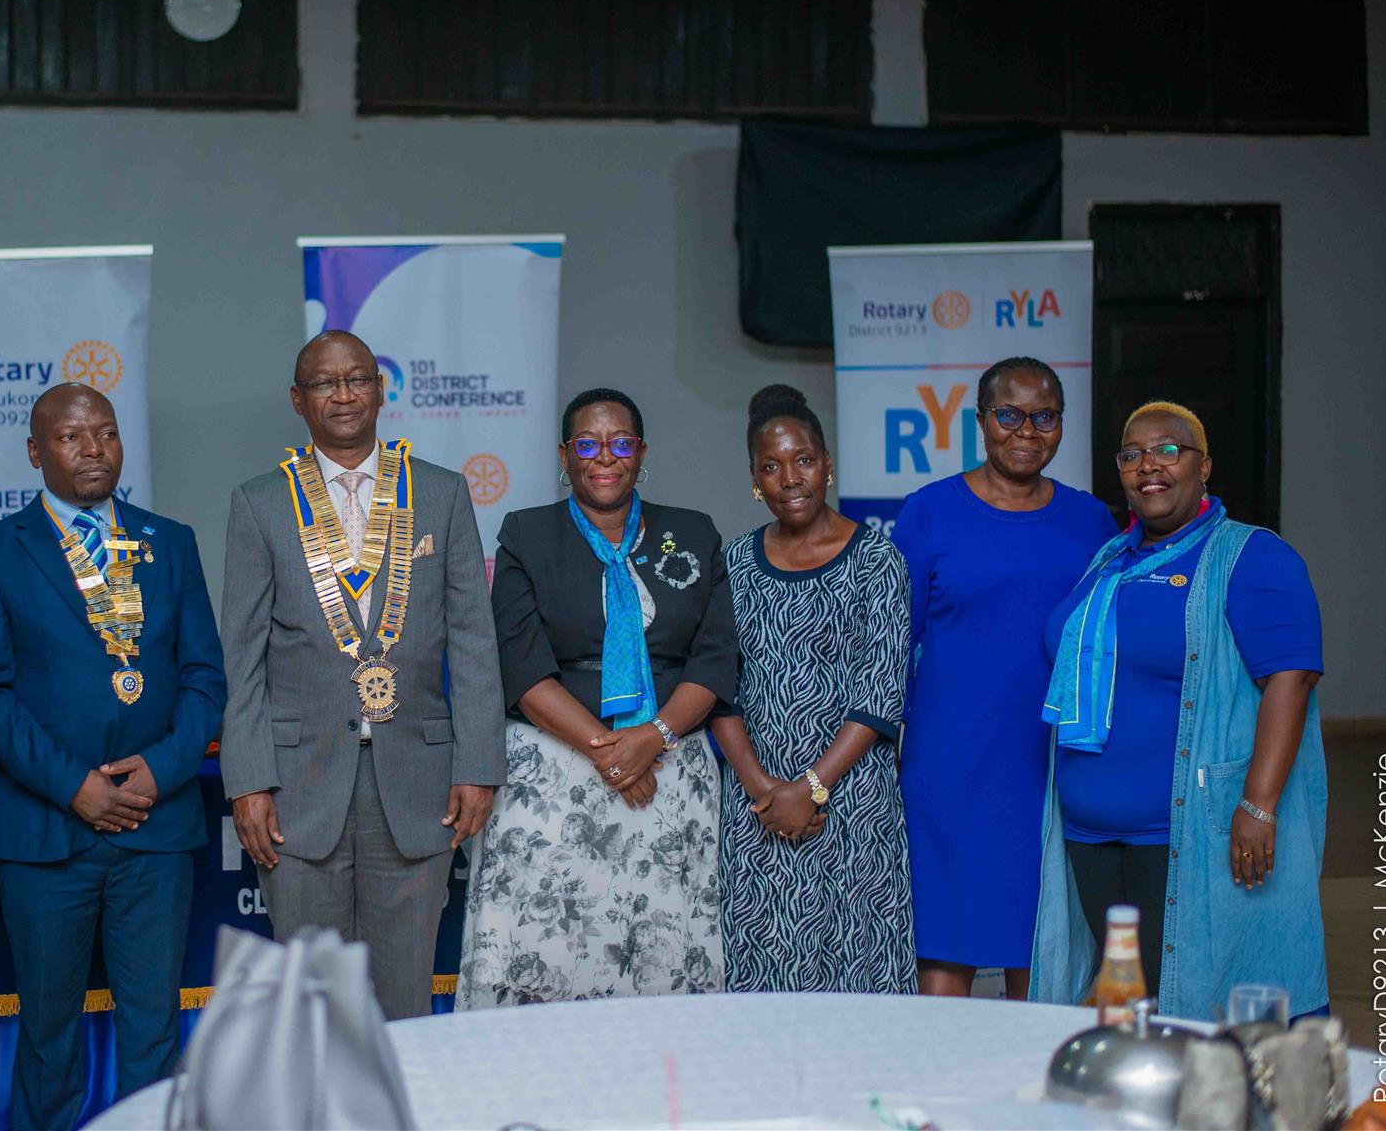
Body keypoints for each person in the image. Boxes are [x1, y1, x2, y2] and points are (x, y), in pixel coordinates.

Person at [0, 383, 225, 1125]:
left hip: (156, 827)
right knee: (48, 1041)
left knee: (153, 1035)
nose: (92, 448)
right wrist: (74, 785)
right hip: (48, 832)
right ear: (35, 451)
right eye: (70, 437)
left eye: (105, 432)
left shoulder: (170, 540)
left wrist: (161, 770)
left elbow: (205, 676)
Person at [221, 330, 506, 1021]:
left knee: (403, 1003)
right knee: (312, 1007)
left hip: (417, 784)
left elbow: (473, 638)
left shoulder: (440, 492)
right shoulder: (260, 502)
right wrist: (249, 780)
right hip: (297, 789)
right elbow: (242, 654)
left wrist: (478, 764)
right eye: (324, 383)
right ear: (298, 400)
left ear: (380, 391)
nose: (343, 394)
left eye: (357, 379)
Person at [1031, 402, 1327, 1021]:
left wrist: (1258, 804)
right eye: (1132, 454)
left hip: (1181, 835)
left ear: (1204, 465)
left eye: (1167, 450)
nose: (1148, 466)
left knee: (1192, 1013)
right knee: (1131, 1006)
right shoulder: (1109, 560)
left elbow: (1291, 679)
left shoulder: (1252, 556)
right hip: (1090, 834)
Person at [457, 388, 735, 1007]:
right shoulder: (528, 533)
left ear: (641, 453)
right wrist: (609, 751)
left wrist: (652, 737)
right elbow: (519, 663)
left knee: (660, 959)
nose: (605, 457)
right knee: (546, 957)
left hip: (668, 773)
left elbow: (715, 658)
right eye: (587, 444)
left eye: (620, 443)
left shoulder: (693, 532)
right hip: (554, 779)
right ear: (565, 456)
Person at [892, 358, 1116, 1000]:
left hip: (1053, 762)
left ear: (1062, 424)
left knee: (1041, 937)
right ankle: (940, 1067)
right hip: (950, 763)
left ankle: (1029, 1065)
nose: (1026, 431)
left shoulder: (1090, 520)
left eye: (1044, 417)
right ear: (982, 420)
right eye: (1009, 415)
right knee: (947, 935)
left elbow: (1108, 642)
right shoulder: (930, 512)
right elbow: (892, 644)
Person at [714, 384, 915, 994]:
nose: (790, 479)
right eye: (771, 467)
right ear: (754, 479)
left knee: (860, 980)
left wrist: (811, 789)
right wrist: (765, 791)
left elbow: (879, 695)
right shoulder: (734, 563)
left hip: (852, 803)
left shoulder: (877, 560)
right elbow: (718, 687)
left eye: (803, 460)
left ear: (828, 464)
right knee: (763, 977)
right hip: (757, 808)